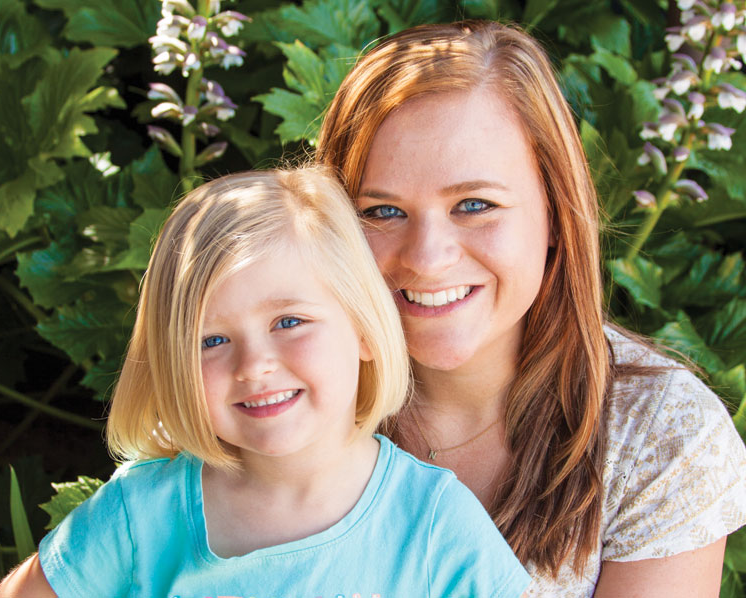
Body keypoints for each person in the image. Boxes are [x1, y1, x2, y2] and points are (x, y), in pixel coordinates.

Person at [315, 20, 746, 598]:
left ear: (554, 211)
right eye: (382, 211)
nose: (427, 259)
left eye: (474, 204)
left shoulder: (657, 436)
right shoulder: (266, 384)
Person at [0, 167, 531, 598]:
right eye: (211, 341)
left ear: (364, 329)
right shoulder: (141, 514)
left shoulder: (432, 523)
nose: (254, 365)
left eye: (289, 322)